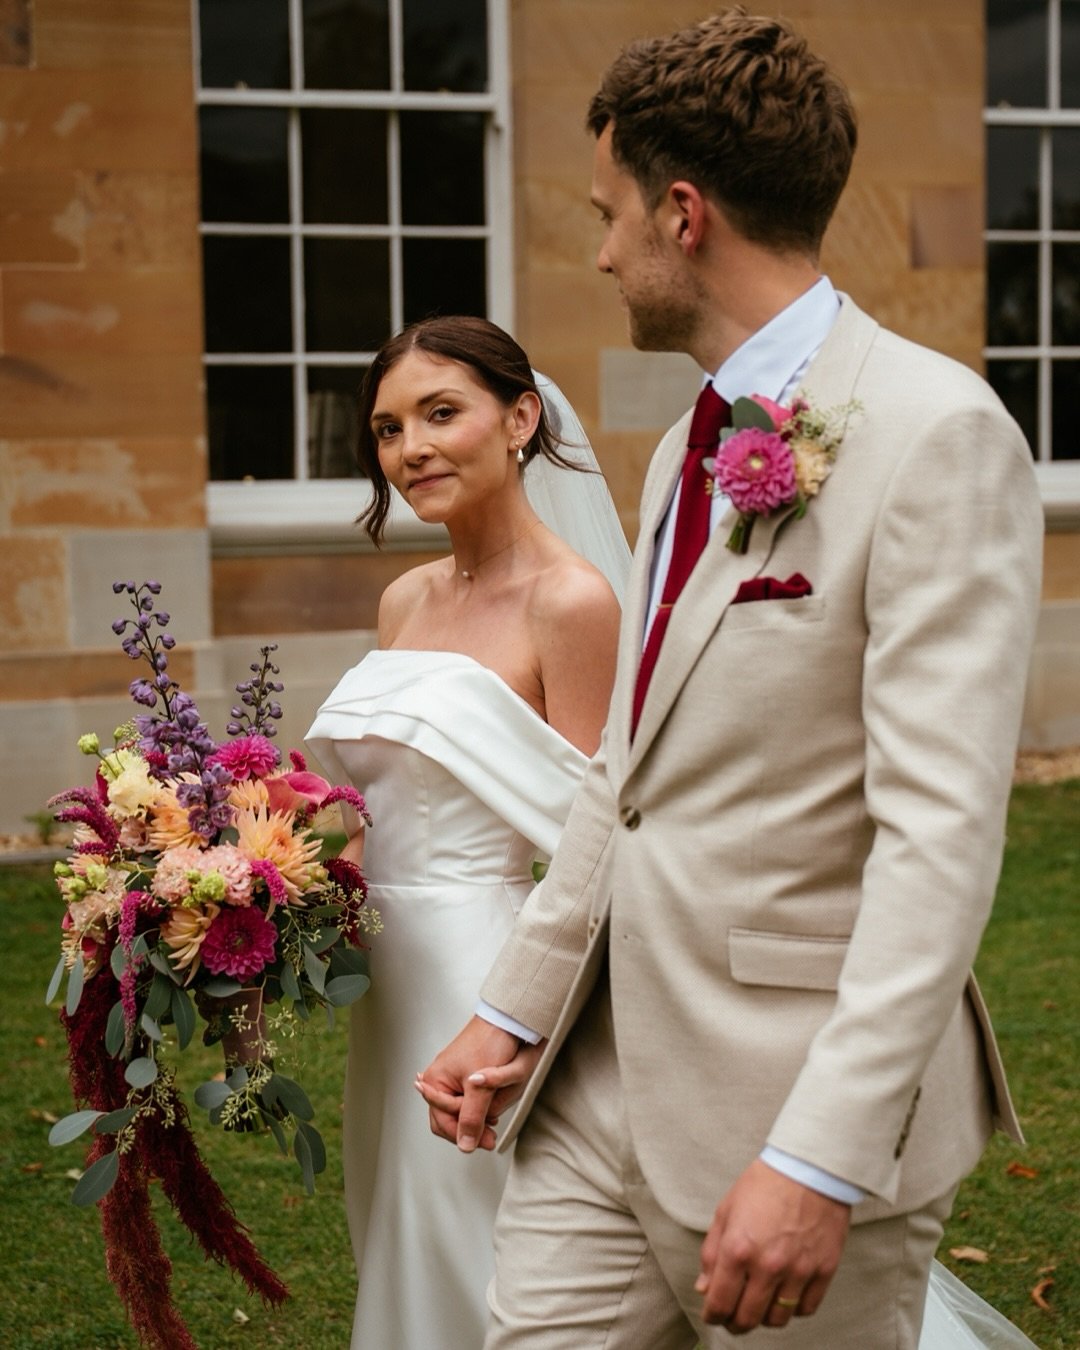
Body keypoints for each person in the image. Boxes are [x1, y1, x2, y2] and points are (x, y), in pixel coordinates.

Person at [418, 11, 1044, 1349]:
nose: (597, 251)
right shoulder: (678, 452)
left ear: (681, 213)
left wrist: (821, 1156)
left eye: (607, 214)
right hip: (595, 1089)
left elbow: (939, 838)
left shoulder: (940, 437)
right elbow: (625, 772)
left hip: (791, 1098)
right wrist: (510, 1009)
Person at [304, 314, 625, 1349]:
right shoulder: (405, 599)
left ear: (520, 418)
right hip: (383, 980)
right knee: (392, 1223)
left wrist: (530, 1019)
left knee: (473, 1244)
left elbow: (595, 832)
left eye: (442, 413)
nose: (413, 448)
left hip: (484, 976)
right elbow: (368, 800)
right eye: (391, 428)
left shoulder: (574, 603)